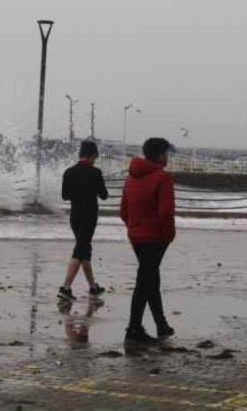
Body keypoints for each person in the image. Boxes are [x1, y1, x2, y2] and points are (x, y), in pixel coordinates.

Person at [120, 138, 177, 344]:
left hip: (137, 236)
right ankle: (134, 328)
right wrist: (168, 235)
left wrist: (134, 229)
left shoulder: (130, 178)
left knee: (150, 278)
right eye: (166, 153)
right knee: (145, 281)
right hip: (155, 237)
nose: (167, 157)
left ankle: (161, 325)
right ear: (160, 154)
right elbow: (165, 211)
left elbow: (123, 210)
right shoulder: (162, 177)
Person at [58, 140, 108, 301]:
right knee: (80, 250)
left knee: (84, 249)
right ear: (93, 155)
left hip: (75, 216)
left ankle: (93, 287)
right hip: (89, 216)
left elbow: (65, 196)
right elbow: (104, 195)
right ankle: (65, 288)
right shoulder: (95, 172)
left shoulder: (69, 172)